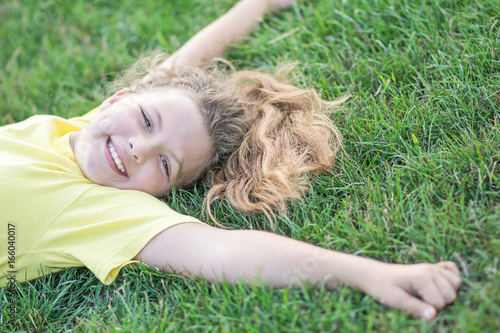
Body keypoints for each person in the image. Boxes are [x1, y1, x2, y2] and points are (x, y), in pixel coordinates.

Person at [0, 0, 460, 321]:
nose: (141, 147)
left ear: (162, 194)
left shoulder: (103, 211)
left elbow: (221, 250)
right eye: (145, 119)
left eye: (164, 165)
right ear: (119, 98)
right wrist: (255, 5)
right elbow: (184, 66)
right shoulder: (91, 126)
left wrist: (367, 273)